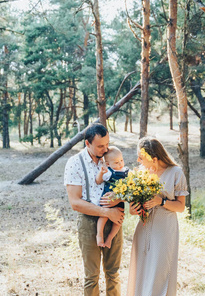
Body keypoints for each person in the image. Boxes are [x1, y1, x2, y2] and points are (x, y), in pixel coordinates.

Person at [64, 123, 125, 296]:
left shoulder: (113, 157)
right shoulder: (75, 163)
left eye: (107, 144)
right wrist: (106, 212)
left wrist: (119, 200)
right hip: (89, 221)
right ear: (87, 144)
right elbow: (75, 203)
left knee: (113, 273)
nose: (105, 149)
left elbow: (124, 186)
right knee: (92, 276)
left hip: (114, 219)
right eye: (100, 146)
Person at [127, 137, 188, 296]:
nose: (138, 160)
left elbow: (180, 207)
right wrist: (134, 209)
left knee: (160, 271)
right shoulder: (140, 172)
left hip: (165, 229)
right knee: (141, 269)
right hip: (143, 227)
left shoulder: (176, 173)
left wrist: (160, 201)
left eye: (141, 157)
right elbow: (132, 210)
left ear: (154, 159)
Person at [95, 146, 128, 249]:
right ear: (108, 164)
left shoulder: (126, 171)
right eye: (117, 162)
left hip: (119, 199)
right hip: (108, 199)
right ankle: (99, 234)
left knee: (119, 220)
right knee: (103, 216)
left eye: (121, 160)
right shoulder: (108, 172)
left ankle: (110, 238)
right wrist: (101, 173)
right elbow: (98, 181)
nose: (120, 164)